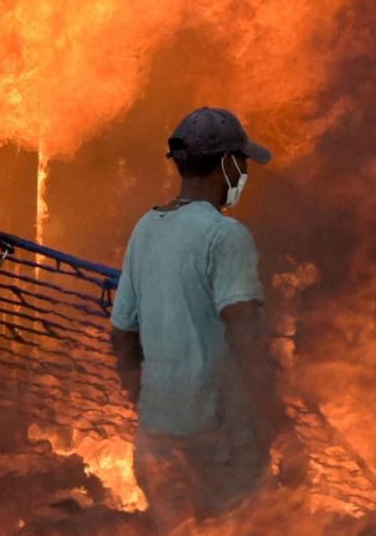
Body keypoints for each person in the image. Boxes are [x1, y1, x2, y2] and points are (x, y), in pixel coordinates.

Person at [110, 107, 289, 533]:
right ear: (227, 164)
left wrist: (154, 407)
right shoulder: (226, 236)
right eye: (242, 163)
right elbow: (245, 336)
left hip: (157, 448)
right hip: (219, 449)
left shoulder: (146, 228)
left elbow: (122, 337)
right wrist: (283, 427)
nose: (244, 173)